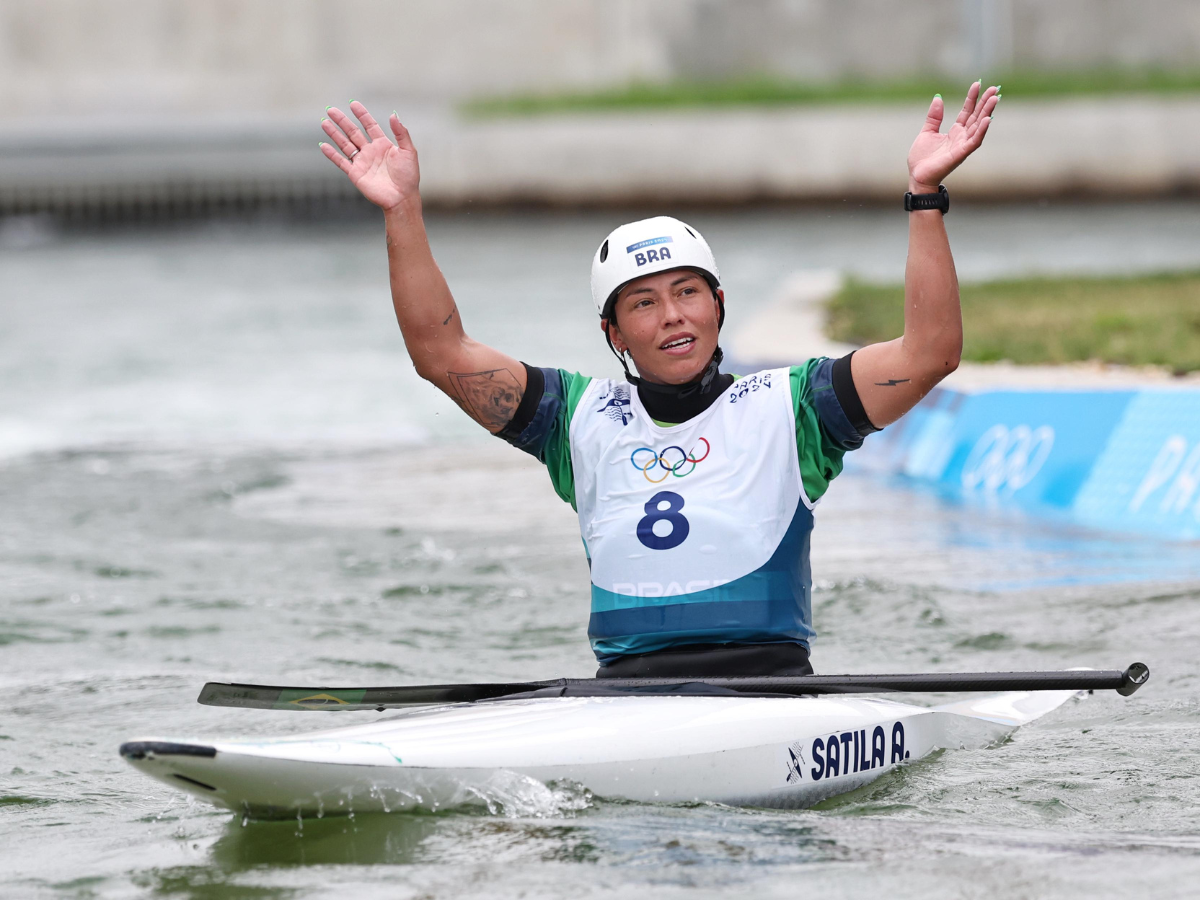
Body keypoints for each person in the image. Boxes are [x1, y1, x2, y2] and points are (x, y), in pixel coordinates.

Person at [318, 82, 1000, 678]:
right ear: (614, 334)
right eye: (644, 302)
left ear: (719, 304)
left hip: (772, 694)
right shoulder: (573, 418)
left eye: (688, 293)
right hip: (626, 696)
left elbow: (931, 352)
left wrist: (924, 197)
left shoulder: (797, 408)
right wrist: (401, 210)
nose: (674, 316)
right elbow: (440, 354)